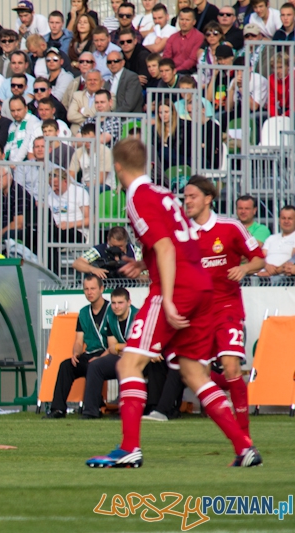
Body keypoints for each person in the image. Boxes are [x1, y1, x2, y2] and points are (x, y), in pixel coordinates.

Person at [86, 138, 261, 469]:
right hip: (201, 285)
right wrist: (144, 262)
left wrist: (166, 297)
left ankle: (129, 448)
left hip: (176, 287)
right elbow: (179, 239)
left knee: (128, 364)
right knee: (195, 372)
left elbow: (166, 246)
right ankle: (244, 447)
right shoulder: (164, 194)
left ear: (117, 167)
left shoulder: (136, 197)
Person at [183, 176, 264, 435]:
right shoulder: (182, 233)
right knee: (198, 376)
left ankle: (244, 436)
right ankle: (231, 402)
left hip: (226, 307)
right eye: (185, 197)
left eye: (192, 196)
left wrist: (244, 268)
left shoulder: (230, 227)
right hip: (196, 313)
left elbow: (259, 259)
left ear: (208, 199)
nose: (187, 202)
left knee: (230, 366)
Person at [45, 273, 110, 418]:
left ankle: (94, 407)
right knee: (66, 365)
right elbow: (79, 341)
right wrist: (75, 353)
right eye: (86, 289)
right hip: (90, 353)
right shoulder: (83, 312)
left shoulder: (112, 309)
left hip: (108, 353)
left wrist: (101, 357)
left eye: (93, 288)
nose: (89, 292)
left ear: (101, 289)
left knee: (93, 366)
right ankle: (58, 409)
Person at [79, 287, 139, 419]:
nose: (116, 306)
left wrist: (120, 347)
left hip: (140, 357)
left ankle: (125, 410)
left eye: (120, 302)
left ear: (129, 302)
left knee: (124, 364)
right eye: (113, 303)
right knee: (95, 366)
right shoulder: (110, 317)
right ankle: (91, 411)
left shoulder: (138, 316)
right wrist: (104, 356)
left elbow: (139, 345)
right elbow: (112, 347)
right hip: (121, 355)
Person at [73, 226, 140, 279]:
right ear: (108, 240)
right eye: (114, 246)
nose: (116, 249)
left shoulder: (135, 251)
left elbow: (145, 277)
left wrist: (132, 274)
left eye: (120, 246)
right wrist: (93, 269)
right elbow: (77, 263)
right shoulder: (99, 250)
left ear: (126, 242)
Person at [258, 206, 295, 277]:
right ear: (279, 220)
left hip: (285, 278)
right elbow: (261, 257)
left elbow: (293, 260)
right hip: (263, 276)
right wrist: (266, 265)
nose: (286, 221)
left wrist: (273, 272)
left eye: (290, 218)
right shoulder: (271, 238)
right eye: (283, 218)